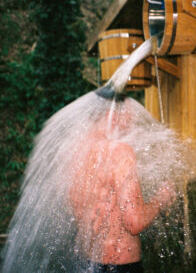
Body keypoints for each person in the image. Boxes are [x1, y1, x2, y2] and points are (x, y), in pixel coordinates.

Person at [69, 103, 175, 273]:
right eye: (129, 114)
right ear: (112, 113)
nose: (132, 120)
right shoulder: (120, 151)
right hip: (119, 266)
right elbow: (134, 221)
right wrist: (161, 199)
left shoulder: (78, 152)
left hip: (85, 262)